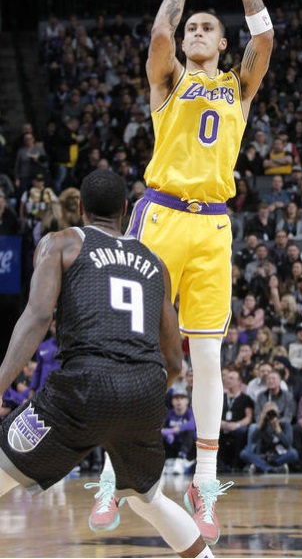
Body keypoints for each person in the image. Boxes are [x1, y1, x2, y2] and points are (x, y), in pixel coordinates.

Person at [92, 0, 274, 543]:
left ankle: (204, 481)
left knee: (206, 358)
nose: (196, 30)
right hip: (160, 216)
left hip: (214, 227)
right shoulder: (167, 83)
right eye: (193, 25)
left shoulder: (238, 89)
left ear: (222, 45)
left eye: (207, 28)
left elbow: (267, 37)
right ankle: (115, 475)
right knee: (132, 346)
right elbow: (159, 33)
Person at [0, 170, 212, 558]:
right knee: (149, 501)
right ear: (125, 211)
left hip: (84, 386)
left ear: (80, 209)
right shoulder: (153, 262)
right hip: (145, 392)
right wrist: (134, 395)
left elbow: (36, 317)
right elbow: (174, 363)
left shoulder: (61, 244)